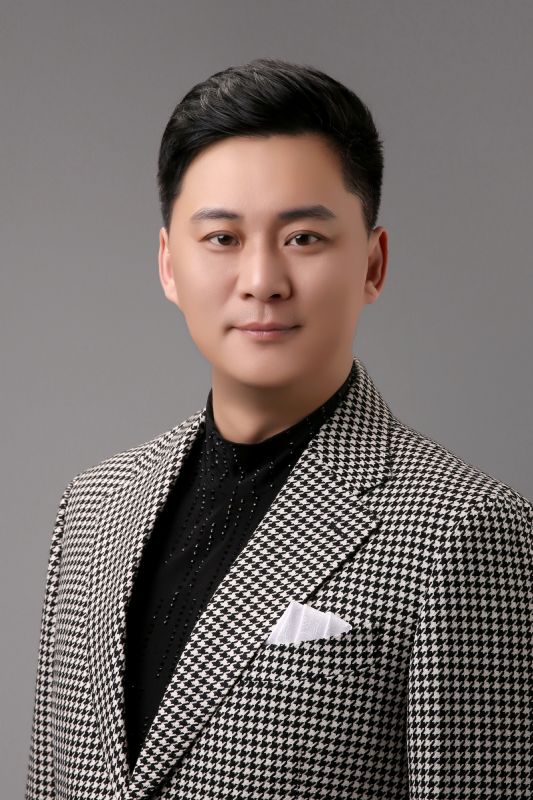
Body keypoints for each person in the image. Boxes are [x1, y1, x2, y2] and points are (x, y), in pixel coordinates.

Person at [25, 57, 532, 800]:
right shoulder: (93, 509)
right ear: (168, 265)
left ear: (373, 264)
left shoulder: (464, 531)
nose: (262, 281)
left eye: (302, 238)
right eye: (222, 238)